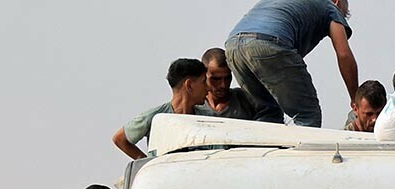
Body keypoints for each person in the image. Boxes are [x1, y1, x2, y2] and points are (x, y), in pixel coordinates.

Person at [225, 0, 358, 128]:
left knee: (267, 113)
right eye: (343, 15)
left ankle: (266, 150)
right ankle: (304, 151)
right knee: (308, 115)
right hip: (268, 44)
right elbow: (344, 54)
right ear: (337, 1)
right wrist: (355, 99)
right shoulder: (330, 6)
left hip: (233, 47)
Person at [113, 59, 208, 160]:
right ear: (189, 85)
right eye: (204, 82)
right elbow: (120, 139)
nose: (208, 88)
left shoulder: (207, 119)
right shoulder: (156, 117)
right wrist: (147, 163)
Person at [196, 48, 257, 120]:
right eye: (216, 79)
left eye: (227, 78)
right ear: (204, 76)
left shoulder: (246, 99)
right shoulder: (194, 103)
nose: (223, 85)